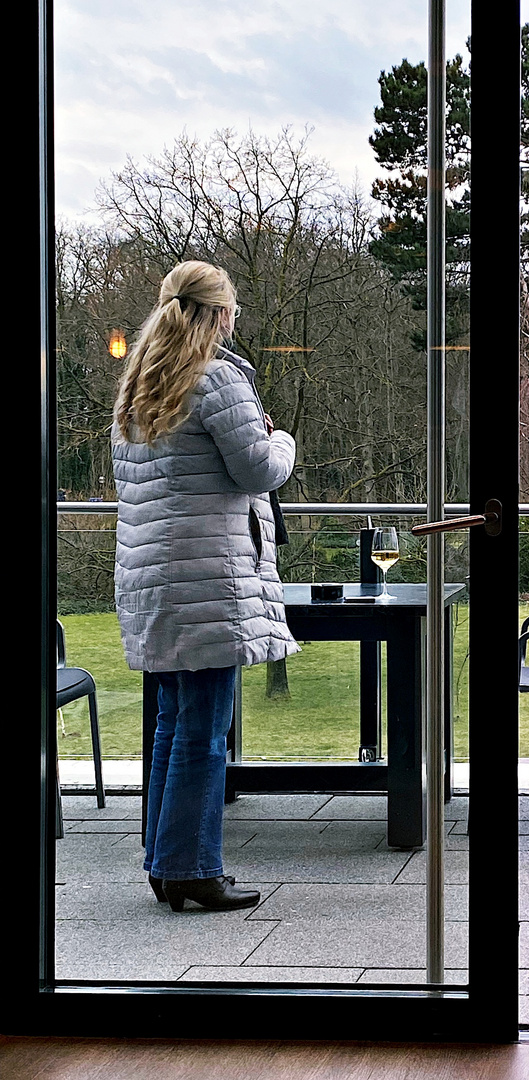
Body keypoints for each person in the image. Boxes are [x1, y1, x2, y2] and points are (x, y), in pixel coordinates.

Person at [112, 260, 299, 912]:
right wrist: (284, 439)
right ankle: (192, 869)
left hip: (151, 580)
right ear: (219, 315)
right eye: (233, 311)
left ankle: (167, 863)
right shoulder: (216, 378)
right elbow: (257, 469)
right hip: (206, 578)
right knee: (203, 731)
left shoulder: (139, 385)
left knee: (171, 722)